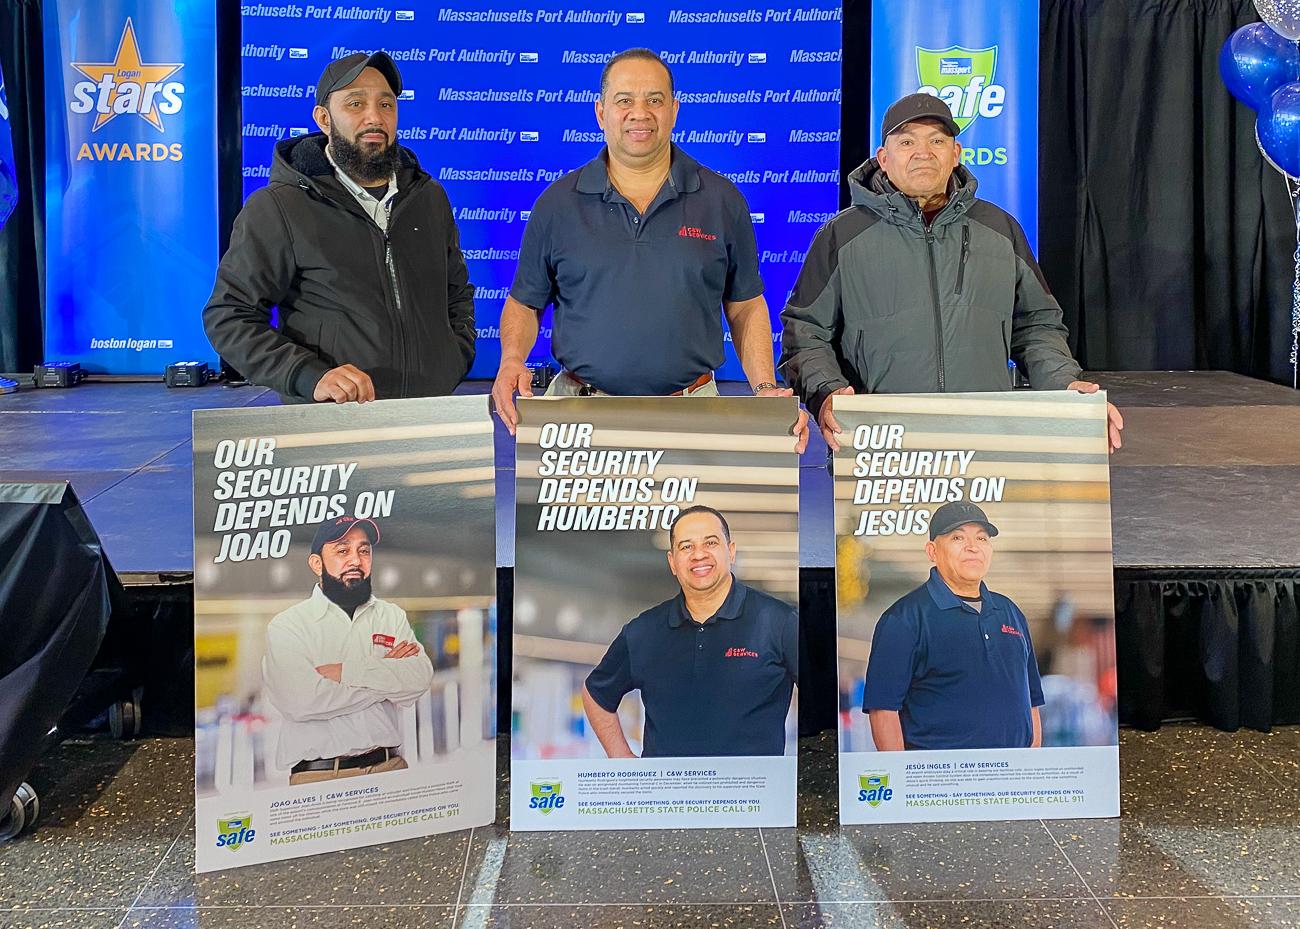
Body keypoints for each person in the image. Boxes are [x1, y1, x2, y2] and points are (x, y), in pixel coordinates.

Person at [491, 48, 808, 451]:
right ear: (601, 112)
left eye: (654, 100)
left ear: (674, 110)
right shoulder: (557, 205)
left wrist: (765, 387)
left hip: (693, 416)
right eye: (624, 100)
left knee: (695, 518)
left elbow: (745, 305)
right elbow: (524, 302)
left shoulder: (722, 200)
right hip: (580, 420)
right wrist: (511, 359)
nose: (640, 113)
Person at [779, 93, 1123, 453]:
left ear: (955, 153)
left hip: (983, 440)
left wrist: (1065, 384)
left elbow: (1036, 326)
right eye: (907, 141)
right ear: (883, 158)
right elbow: (805, 332)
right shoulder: (842, 236)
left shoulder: (1000, 229)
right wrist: (827, 393)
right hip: (880, 445)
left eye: (937, 141)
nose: (923, 152)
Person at [204, 52, 475, 404]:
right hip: (333, 424)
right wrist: (308, 375)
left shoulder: (429, 197)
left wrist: (455, 356)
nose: (374, 118)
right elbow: (229, 315)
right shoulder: (280, 206)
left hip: (428, 414)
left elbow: (456, 292)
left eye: (386, 105)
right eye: (355, 103)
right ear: (324, 119)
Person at [582, 505, 798, 758]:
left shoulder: (778, 622)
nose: (698, 555)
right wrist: (621, 758)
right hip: (667, 794)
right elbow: (596, 693)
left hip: (754, 794)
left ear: (731, 551)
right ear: (672, 562)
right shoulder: (644, 631)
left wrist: (807, 773)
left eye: (710, 543)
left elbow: (821, 696)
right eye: (686, 547)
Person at [262, 516, 434, 784]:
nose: (356, 560)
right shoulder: (289, 625)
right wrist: (387, 680)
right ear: (316, 563)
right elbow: (300, 701)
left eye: (363, 551)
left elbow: (419, 678)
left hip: (390, 768)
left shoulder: (390, 616)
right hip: (320, 777)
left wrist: (345, 672)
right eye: (342, 550)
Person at [861, 501, 1044, 751]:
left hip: (1012, 778)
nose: (973, 548)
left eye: (982, 539)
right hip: (940, 781)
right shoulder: (904, 619)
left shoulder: (1010, 613)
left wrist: (1032, 761)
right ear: (932, 551)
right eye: (958, 538)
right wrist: (899, 779)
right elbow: (883, 710)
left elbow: (1031, 699)